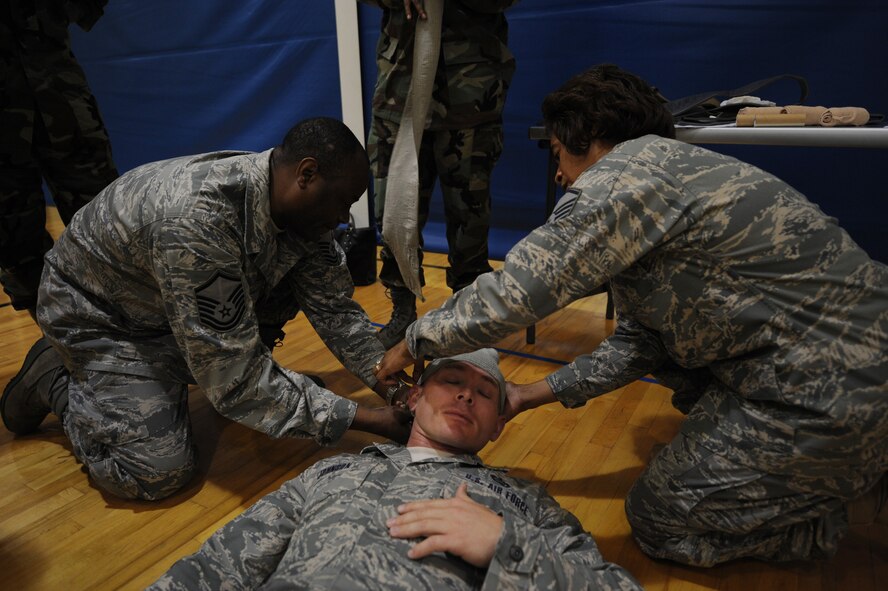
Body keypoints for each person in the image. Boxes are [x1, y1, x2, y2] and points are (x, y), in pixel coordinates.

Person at [376, 65, 888, 567]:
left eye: (558, 151)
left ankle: (818, 517)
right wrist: (527, 395)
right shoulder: (674, 172)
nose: (558, 172)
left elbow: (516, 292)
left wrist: (415, 341)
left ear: (591, 134)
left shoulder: (625, 177)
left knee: (659, 519)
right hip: (840, 362)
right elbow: (642, 342)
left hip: (842, 385)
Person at [1, 117, 412, 501]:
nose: (344, 217)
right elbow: (235, 379)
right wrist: (369, 420)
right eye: (343, 202)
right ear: (306, 174)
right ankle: (52, 375)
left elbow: (337, 313)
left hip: (161, 308)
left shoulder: (300, 211)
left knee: (280, 314)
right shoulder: (196, 222)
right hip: (99, 318)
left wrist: (392, 387)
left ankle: (173, 377)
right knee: (158, 471)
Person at [147, 348, 643, 590]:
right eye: (451, 381)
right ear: (413, 396)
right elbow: (220, 562)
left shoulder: (525, 504)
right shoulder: (329, 473)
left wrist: (505, 545)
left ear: (497, 426)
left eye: (486, 393)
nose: (467, 394)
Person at [360, 0, 517, 348]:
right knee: (393, 212)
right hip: (399, 93)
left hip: (471, 93)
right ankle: (402, 313)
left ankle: (467, 316)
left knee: (470, 214)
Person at [0, 0, 119, 320]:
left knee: (104, 222)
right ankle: (60, 347)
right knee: (15, 241)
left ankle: (135, 340)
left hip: (58, 95)